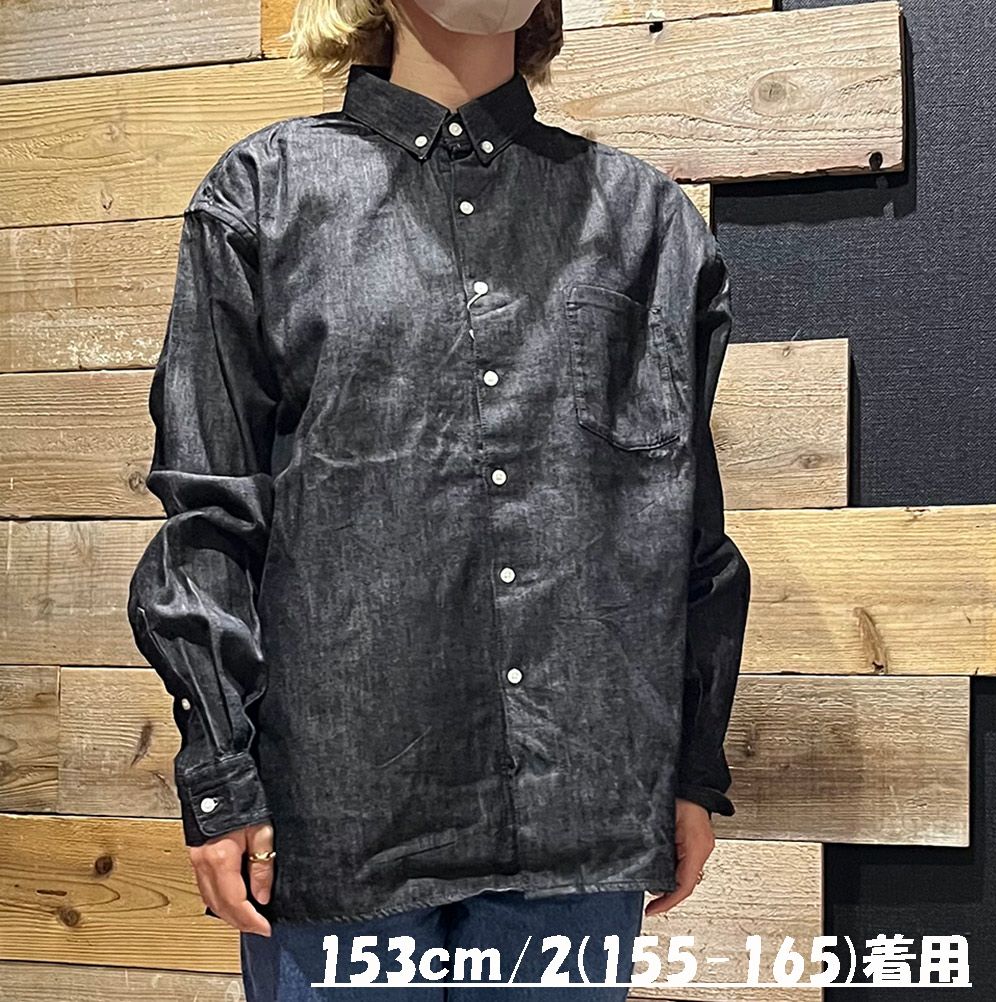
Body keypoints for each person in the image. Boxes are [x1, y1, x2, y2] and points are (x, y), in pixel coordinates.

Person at [126, 0, 752, 997]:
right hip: (338, 824)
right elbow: (210, 513)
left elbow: (686, 532)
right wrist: (219, 773)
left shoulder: (647, 224)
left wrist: (692, 766)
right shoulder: (266, 197)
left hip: (583, 820)